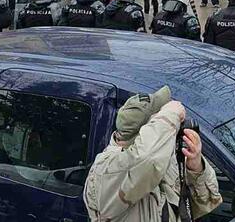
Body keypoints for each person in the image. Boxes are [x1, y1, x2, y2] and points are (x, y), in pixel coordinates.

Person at [84, 86, 222, 222]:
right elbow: (145, 161)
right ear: (148, 130)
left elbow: (198, 206)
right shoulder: (105, 171)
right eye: (159, 119)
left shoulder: (163, 156)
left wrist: (195, 168)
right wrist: (170, 116)